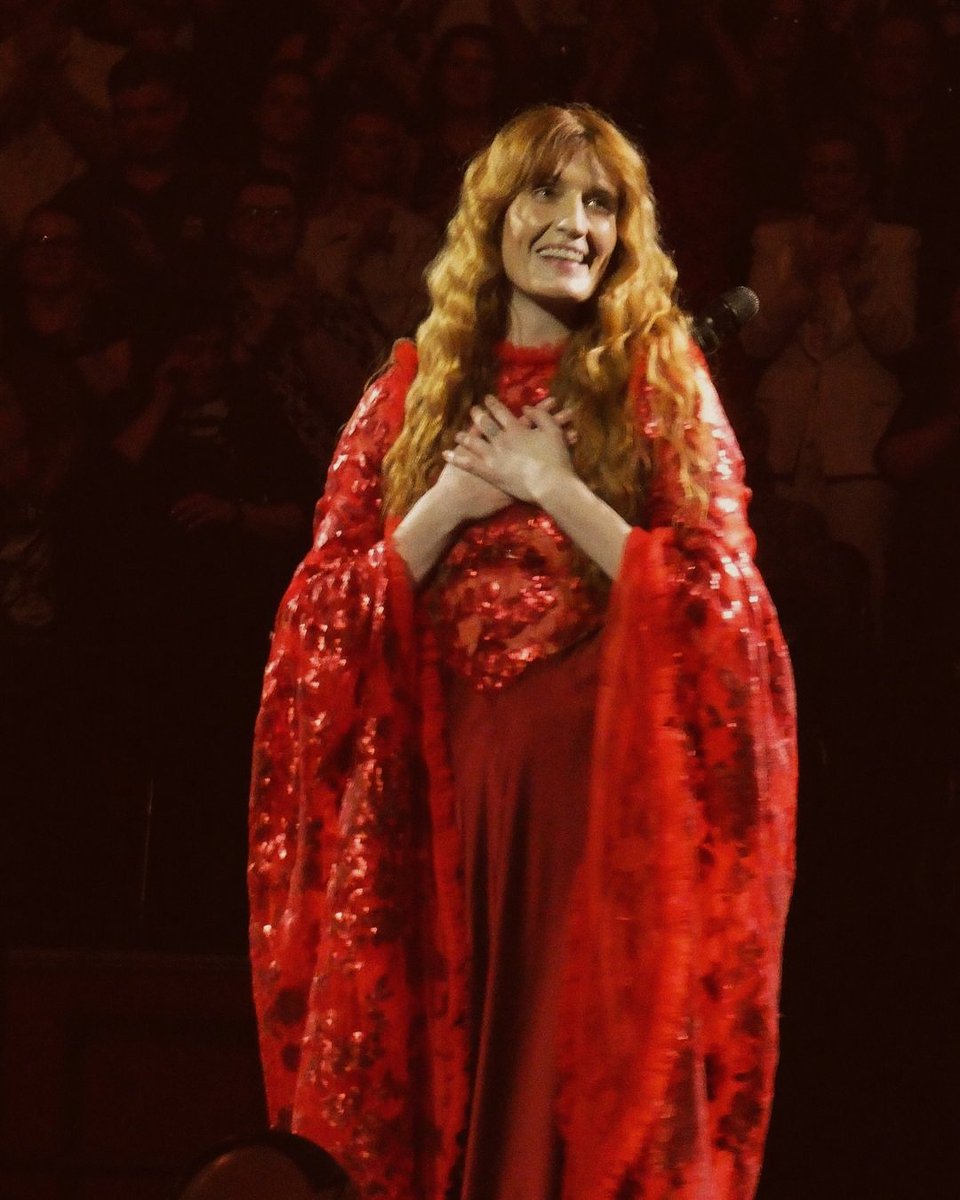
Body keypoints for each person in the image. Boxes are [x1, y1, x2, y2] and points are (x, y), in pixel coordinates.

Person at [249, 104, 796, 1200]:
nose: (576, 223)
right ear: (492, 216)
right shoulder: (407, 393)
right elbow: (312, 637)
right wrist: (448, 503)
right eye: (549, 193)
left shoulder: (664, 388)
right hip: (433, 814)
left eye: (602, 203)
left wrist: (559, 490)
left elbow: (733, 625)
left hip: (592, 813)